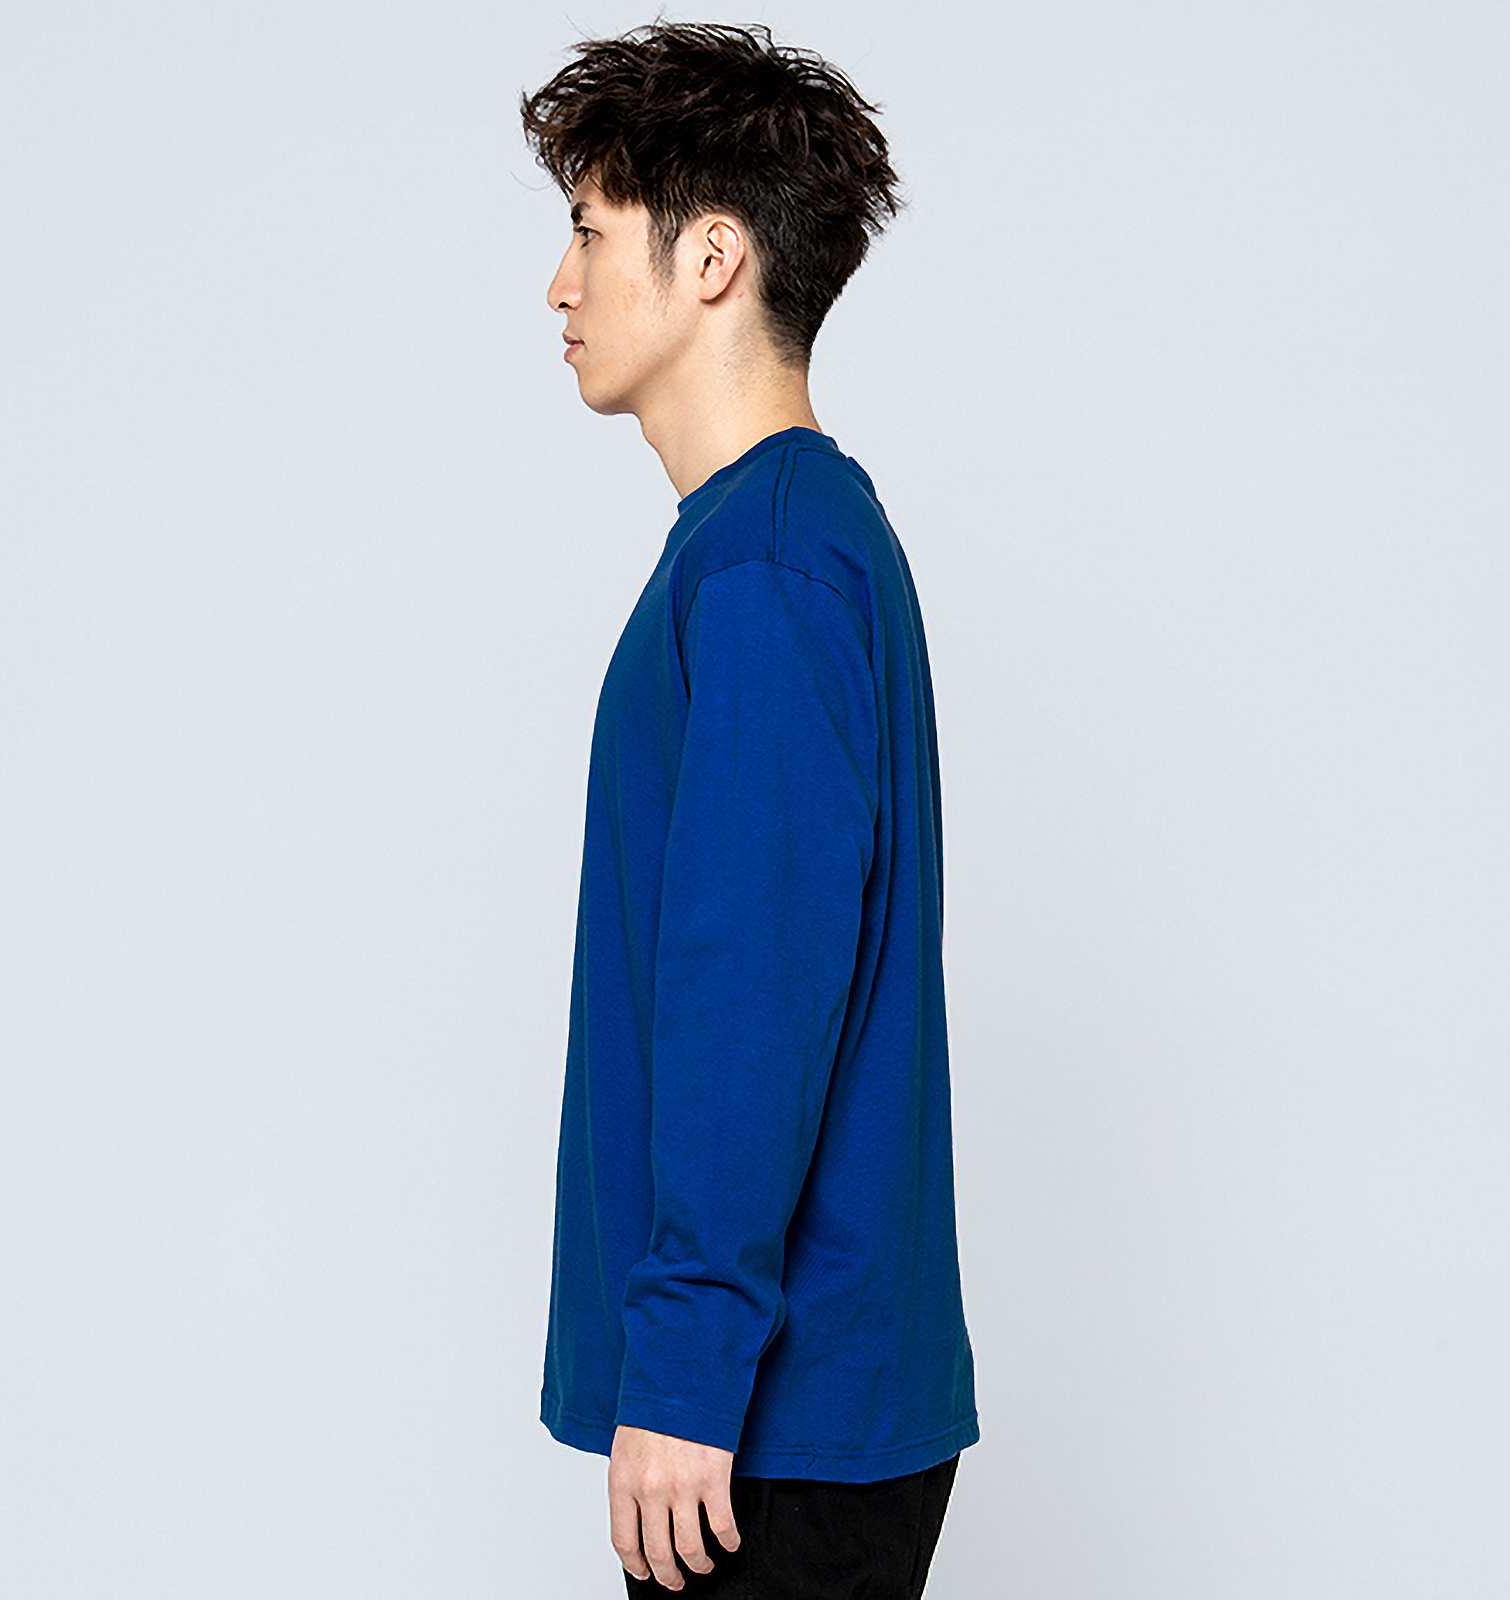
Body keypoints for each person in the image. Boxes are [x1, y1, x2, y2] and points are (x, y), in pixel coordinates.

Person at [521, 23, 978, 1597]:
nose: (560, 285)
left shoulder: (770, 566)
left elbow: (753, 987)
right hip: (795, 1419)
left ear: (712, 257)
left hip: (775, 1427)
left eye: (590, 232)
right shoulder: (778, 541)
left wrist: (685, 1370)